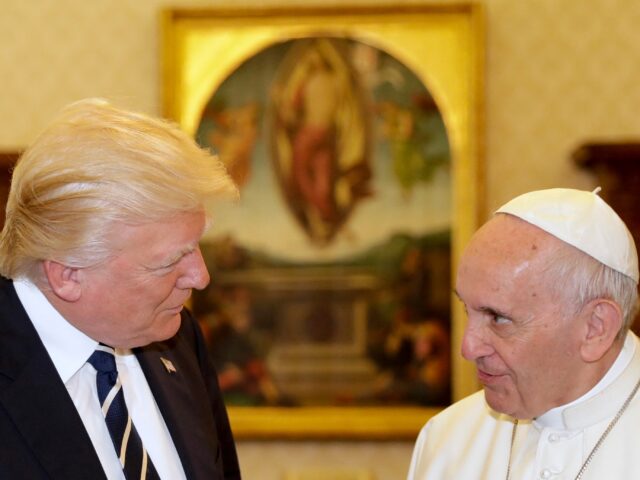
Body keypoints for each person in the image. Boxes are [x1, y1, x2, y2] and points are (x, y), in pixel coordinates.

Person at [0, 98, 242, 479]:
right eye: (168, 261)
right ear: (67, 274)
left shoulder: (179, 342)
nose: (200, 277)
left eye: (196, 247)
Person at [407, 187, 640, 479]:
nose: (467, 348)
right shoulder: (447, 440)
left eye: (498, 318)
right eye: (468, 310)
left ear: (596, 328)